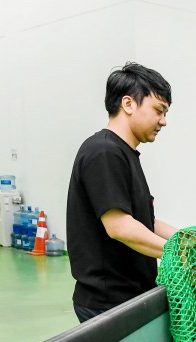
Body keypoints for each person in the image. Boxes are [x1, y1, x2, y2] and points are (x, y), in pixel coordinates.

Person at [66, 63, 177, 322]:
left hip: (130, 296)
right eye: (158, 110)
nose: (163, 121)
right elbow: (120, 227)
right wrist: (178, 253)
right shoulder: (103, 152)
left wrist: (189, 241)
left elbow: (144, 221)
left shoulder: (124, 153)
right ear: (128, 104)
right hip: (108, 303)